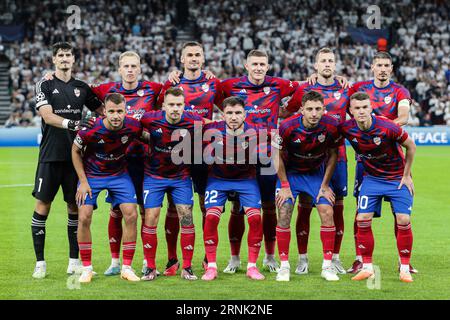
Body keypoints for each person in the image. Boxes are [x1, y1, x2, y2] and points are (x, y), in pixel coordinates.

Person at [219, 49, 299, 273]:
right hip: (241, 153)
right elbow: (216, 95)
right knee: (237, 207)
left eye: (262, 64)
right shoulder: (232, 85)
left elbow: (301, 88)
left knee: (269, 206)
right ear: (246, 65)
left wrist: (286, 111)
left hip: (268, 152)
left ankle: (270, 256)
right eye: (254, 64)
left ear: (267, 66)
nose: (258, 68)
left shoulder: (277, 85)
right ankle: (235, 258)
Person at [31, 42, 103, 279]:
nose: (64, 59)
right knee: (43, 206)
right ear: (53, 59)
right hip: (50, 156)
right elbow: (47, 116)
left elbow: (102, 110)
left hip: (76, 158)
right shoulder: (44, 83)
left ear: (74, 60)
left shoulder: (82, 87)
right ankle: (40, 263)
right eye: (60, 55)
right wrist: (73, 123)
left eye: (68, 55)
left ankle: (74, 261)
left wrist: (98, 126)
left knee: (74, 207)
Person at [89, 51, 163, 276]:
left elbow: (172, 94)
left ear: (140, 68)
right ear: (119, 69)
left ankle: (144, 261)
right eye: (126, 66)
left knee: (143, 211)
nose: (130, 70)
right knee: (116, 211)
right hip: (118, 162)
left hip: (145, 160)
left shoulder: (154, 89)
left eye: (134, 66)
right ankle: (115, 261)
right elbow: (82, 92)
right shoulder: (105, 90)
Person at [282, 47, 351, 275]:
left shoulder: (346, 88)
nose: (327, 64)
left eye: (331, 60)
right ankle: (302, 258)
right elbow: (287, 113)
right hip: (306, 157)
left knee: (335, 207)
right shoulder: (305, 88)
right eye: (323, 61)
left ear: (336, 63)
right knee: (303, 207)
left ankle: (336, 257)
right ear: (315, 65)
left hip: (336, 156)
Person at [157, 41, 223, 275]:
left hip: (206, 153)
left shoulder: (213, 82)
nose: (194, 58)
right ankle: (173, 259)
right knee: (174, 207)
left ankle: (208, 258)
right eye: (189, 55)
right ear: (182, 59)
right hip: (178, 152)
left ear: (203, 59)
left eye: (198, 55)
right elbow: (158, 114)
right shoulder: (172, 83)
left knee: (208, 206)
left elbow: (228, 111)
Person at [347, 51, 417, 274]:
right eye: (379, 65)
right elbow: (344, 105)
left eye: (387, 65)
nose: (383, 69)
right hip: (365, 162)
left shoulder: (399, 91)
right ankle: (360, 259)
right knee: (361, 212)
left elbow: (404, 116)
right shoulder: (359, 87)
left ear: (392, 68)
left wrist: (382, 130)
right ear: (372, 67)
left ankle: (403, 261)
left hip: (394, 156)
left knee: (401, 213)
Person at [139, 87, 210, 281]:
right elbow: (129, 125)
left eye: (179, 105)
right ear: (164, 106)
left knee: (186, 217)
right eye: (171, 105)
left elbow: (216, 126)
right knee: (151, 217)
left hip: (181, 177)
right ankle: (150, 267)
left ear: (184, 106)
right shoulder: (150, 118)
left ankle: (187, 267)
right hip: (154, 177)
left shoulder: (194, 121)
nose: (175, 109)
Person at [72, 93, 142, 283]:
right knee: (84, 215)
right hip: (92, 176)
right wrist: (83, 181)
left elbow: (147, 137)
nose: (116, 116)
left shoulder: (134, 125)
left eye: (120, 111)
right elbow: (75, 150)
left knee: (131, 214)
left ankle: (126, 267)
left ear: (126, 111)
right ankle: (87, 268)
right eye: (111, 111)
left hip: (119, 175)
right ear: (104, 111)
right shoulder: (91, 129)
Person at [273, 91, 342, 282]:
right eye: (309, 109)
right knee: (285, 211)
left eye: (318, 109)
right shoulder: (287, 126)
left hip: (315, 174)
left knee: (327, 211)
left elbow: (333, 154)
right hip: (291, 174)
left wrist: (325, 184)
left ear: (324, 110)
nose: (314, 113)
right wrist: (285, 185)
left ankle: (327, 266)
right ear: (302, 109)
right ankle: (284, 266)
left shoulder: (332, 126)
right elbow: (275, 155)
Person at [201, 96, 265, 281]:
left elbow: (277, 144)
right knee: (211, 217)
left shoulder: (257, 131)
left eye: (238, 113)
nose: (234, 117)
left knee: (255, 219)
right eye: (229, 113)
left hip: (246, 181)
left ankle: (252, 266)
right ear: (222, 115)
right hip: (218, 180)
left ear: (245, 115)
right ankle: (211, 267)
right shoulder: (210, 130)